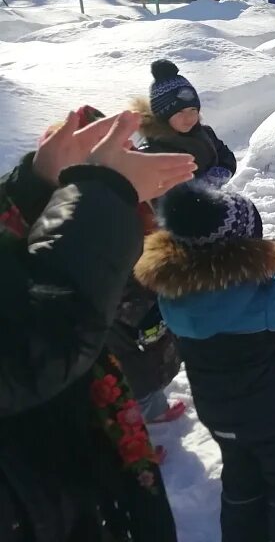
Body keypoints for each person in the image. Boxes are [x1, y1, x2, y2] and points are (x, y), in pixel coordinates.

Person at [0, 109, 195, 542]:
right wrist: (103, 195)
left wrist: (33, 188)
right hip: (40, 497)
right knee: (144, 385)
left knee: (150, 385)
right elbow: (31, 344)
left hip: (56, 475)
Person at [134, 182, 275, 542]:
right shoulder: (264, 296)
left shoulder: (172, 293)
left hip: (219, 412)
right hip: (274, 412)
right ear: (243, 249)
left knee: (241, 478)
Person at [45, 106, 184, 429]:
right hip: (116, 316)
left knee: (150, 362)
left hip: (143, 301)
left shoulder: (131, 199)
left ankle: (150, 411)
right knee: (128, 375)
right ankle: (134, 435)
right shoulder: (74, 215)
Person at [134, 59, 237, 186]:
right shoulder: (153, 152)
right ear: (163, 116)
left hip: (213, 199)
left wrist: (224, 169)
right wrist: (195, 189)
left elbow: (224, 154)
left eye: (193, 109)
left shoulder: (205, 133)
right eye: (179, 112)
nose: (189, 117)